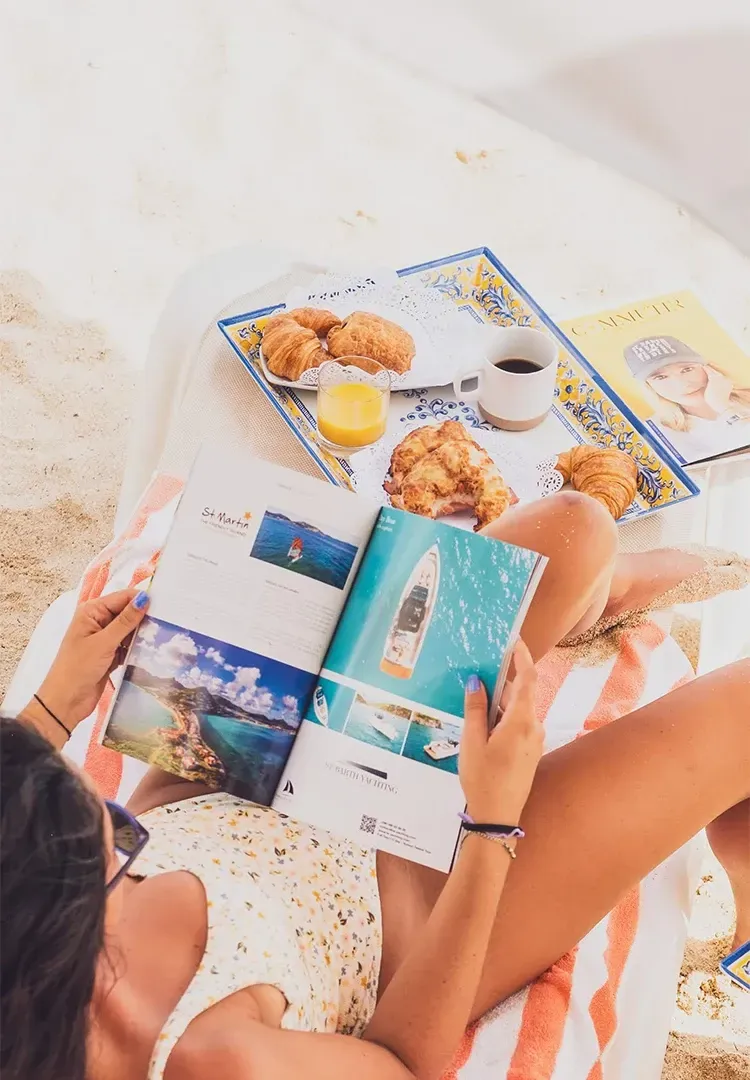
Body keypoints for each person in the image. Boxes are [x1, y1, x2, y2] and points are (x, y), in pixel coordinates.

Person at [2, 491, 749, 1080]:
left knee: (571, 529)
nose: (124, 835)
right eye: (118, 846)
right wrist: (491, 824)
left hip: (248, 768)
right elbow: (400, 1063)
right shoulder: (210, 1056)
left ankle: (597, 598)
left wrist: (51, 706)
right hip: (401, 901)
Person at [624, 335, 750, 463]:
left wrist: (723, 407)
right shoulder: (658, 431)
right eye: (660, 378)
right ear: (649, 387)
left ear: (708, 368)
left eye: (687, 369)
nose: (682, 384)